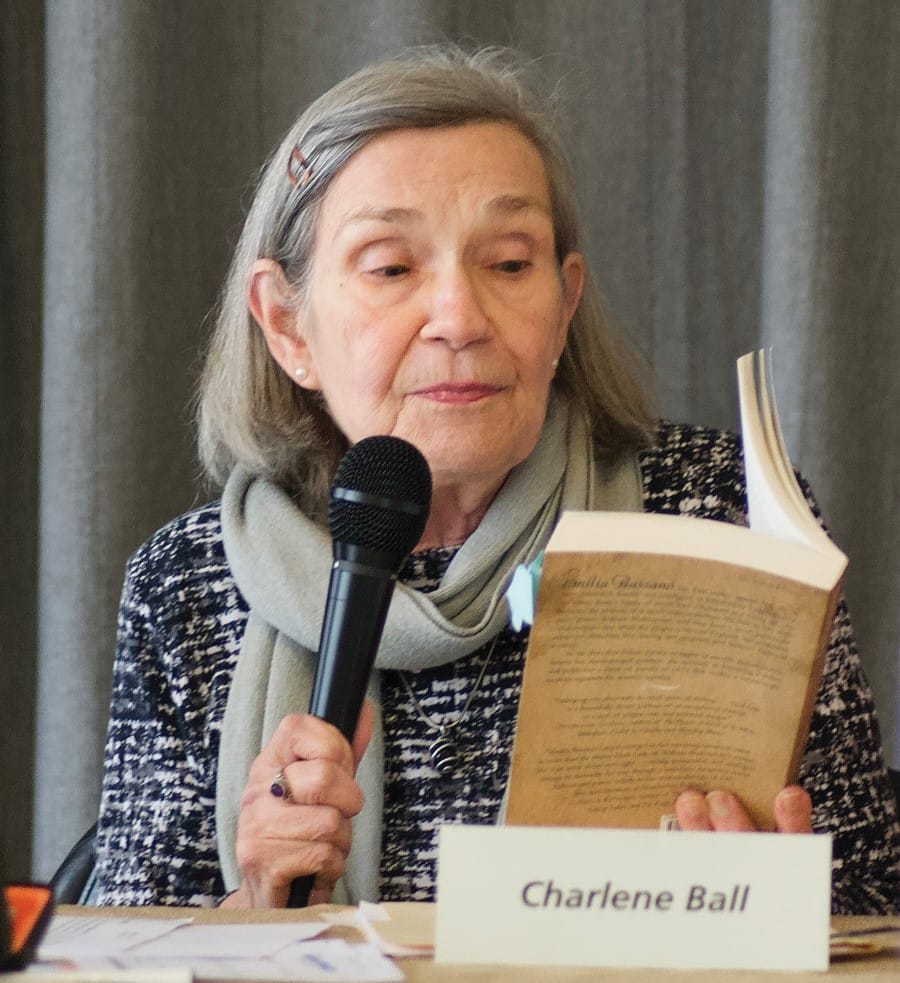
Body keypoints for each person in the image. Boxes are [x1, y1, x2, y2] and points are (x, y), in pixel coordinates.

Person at [93, 45, 899, 914]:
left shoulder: (715, 510)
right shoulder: (189, 583)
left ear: (564, 303)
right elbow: (117, 946)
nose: (460, 318)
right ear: (287, 325)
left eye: (509, 264)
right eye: (393, 267)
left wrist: (776, 903)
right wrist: (254, 901)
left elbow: (874, 899)